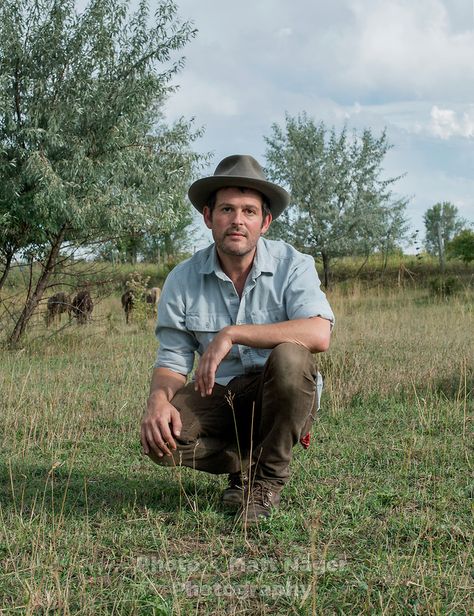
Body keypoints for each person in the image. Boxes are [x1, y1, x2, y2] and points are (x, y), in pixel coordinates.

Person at [141, 154, 335, 525]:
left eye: (249, 211)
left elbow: (319, 332)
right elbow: (171, 360)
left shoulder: (294, 264)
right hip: (224, 396)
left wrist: (232, 333)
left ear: (265, 222)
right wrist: (157, 400)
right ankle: (244, 464)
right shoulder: (182, 279)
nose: (237, 220)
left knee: (291, 359)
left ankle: (265, 484)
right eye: (227, 209)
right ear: (208, 217)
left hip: (280, 395)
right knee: (161, 439)